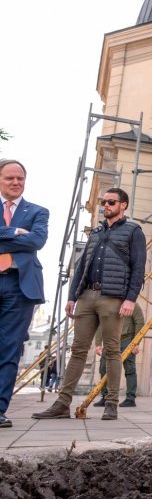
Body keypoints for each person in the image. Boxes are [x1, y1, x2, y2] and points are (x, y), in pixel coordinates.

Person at [33, 187, 145, 421]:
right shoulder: (95, 233)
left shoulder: (134, 231)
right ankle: (63, 403)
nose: (106, 205)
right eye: (104, 202)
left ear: (123, 205)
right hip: (86, 296)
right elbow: (82, 266)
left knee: (112, 351)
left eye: (111, 202)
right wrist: (72, 296)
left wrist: (130, 299)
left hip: (112, 298)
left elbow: (138, 268)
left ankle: (111, 404)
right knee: (78, 350)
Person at [0, 159, 49, 428]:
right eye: (9, 178)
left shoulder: (38, 211)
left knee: (9, 350)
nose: (16, 182)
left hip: (20, 287)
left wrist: (8, 237)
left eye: (20, 178)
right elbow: (24, 240)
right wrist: (13, 232)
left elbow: (37, 241)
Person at [92, 301, 144, 407]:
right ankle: (105, 397)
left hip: (127, 340)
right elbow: (101, 324)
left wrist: (136, 343)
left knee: (130, 370)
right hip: (110, 341)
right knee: (103, 368)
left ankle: (130, 398)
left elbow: (140, 323)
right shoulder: (108, 304)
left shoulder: (133, 305)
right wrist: (98, 344)